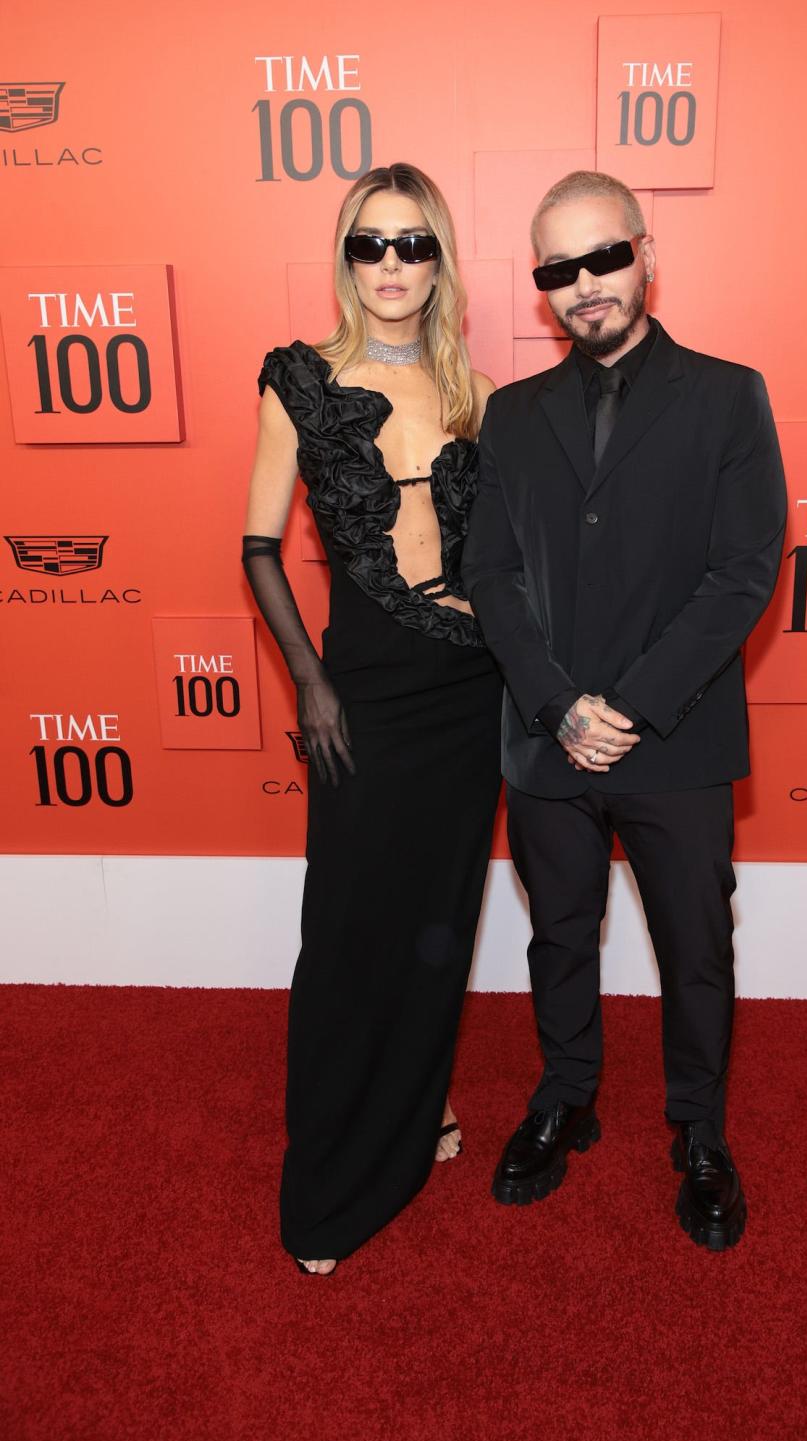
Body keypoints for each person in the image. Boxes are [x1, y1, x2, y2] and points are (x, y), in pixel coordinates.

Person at [462, 170, 786, 1251]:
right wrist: (559, 706)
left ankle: (699, 1131)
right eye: (560, 269)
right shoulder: (510, 416)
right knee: (561, 936)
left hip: (679, 737)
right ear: (543, 286)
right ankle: (566, 1094)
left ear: (647, 252)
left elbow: (743, 573)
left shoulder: (729, 393)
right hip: (546, 739)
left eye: (604, 257)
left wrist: (633, 706)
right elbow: (493, 578)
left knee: (696, 946)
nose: (585, 285)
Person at [243, 163, 501, 1275]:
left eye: (414, 245)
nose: (392, 265)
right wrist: (310, 677)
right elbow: (260, 546)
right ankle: (335, 1174)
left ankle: (418, 1109)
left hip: (468, 688)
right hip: (362, 686)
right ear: (346, 258)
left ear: (439, 261)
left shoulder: (477, 390)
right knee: (348, 932)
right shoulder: (298, 380)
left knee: (438, 920)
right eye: (370, 244)